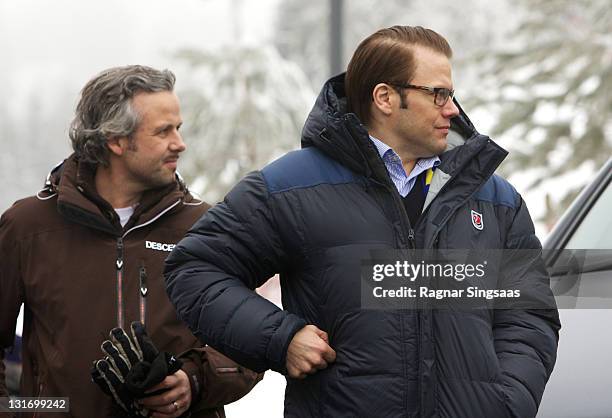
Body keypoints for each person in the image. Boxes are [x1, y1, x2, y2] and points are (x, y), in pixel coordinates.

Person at [164, 26, 560, 417]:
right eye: (437, 94)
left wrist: (507, 402)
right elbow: (196, 269)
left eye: (451, 94)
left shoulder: (495, 199)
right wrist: (281, 339)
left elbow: (527, 315)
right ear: (385, 97)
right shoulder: (290, 188)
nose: (452, 109)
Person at [0, 65, 260, 418]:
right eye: (163, 131)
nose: (179, 143)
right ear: (116, 139)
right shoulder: (27, 227)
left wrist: (192, 382)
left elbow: (251, 343)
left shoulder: (207, 227)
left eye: (178, 129)